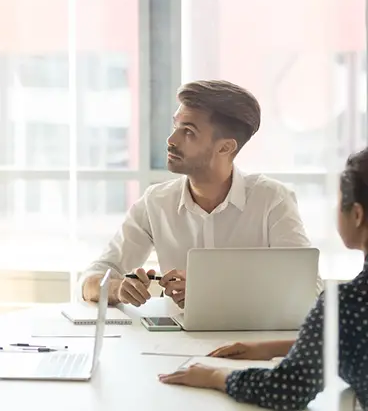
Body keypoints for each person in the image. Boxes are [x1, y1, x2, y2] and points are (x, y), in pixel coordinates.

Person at [158, 147, 368, 411]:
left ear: (357, 215)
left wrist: (213, 375)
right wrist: (272, 348)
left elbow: (286, 389)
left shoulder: (347, 304)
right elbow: (355, 340)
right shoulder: (351, 312)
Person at [80, 80, 314, 307]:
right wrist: (117, 288)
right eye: (175, 127)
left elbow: (309, 290)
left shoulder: (272, 200)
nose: (171, 141)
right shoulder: (156, 203)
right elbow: (90, 279)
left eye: (189, 132)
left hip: (252, 343)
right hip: (172, 341)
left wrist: (212, 295)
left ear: (225, 147)